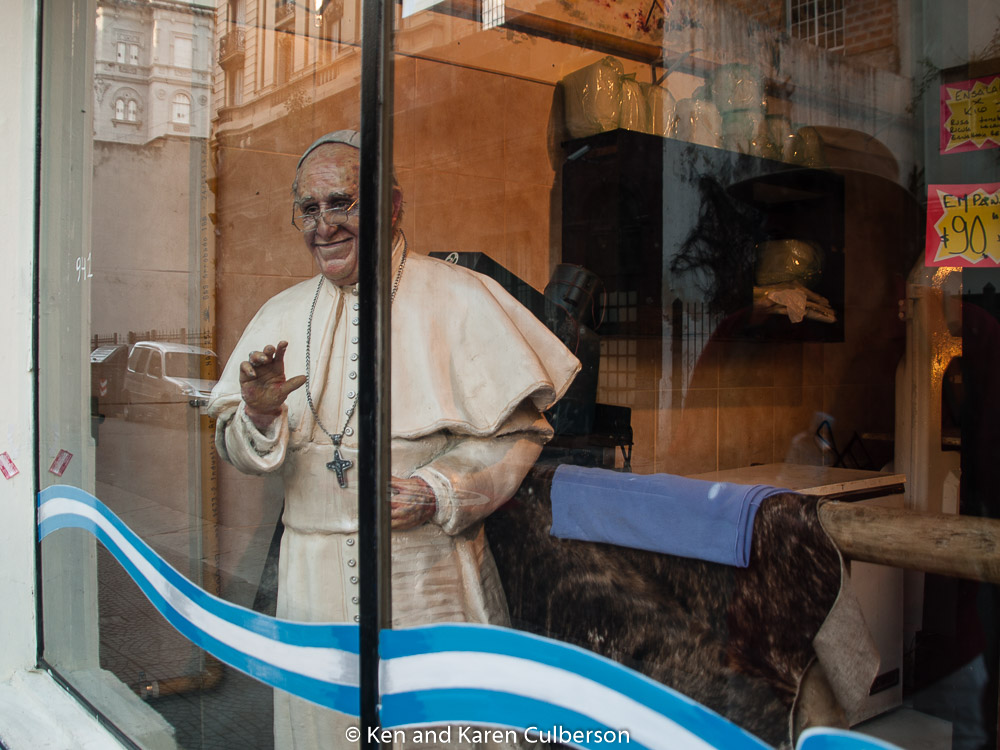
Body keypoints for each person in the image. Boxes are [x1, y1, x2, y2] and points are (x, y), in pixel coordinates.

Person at [207, 130, 580, 747]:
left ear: (394, 206)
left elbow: (518, 434)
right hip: (309, 578)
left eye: (341, 203)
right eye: (308, 209)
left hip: (427, 574)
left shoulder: (459, 297)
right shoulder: (280, 312)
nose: (323, 225)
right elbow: (235, 447)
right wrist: (260, 416)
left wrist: (440, 491)